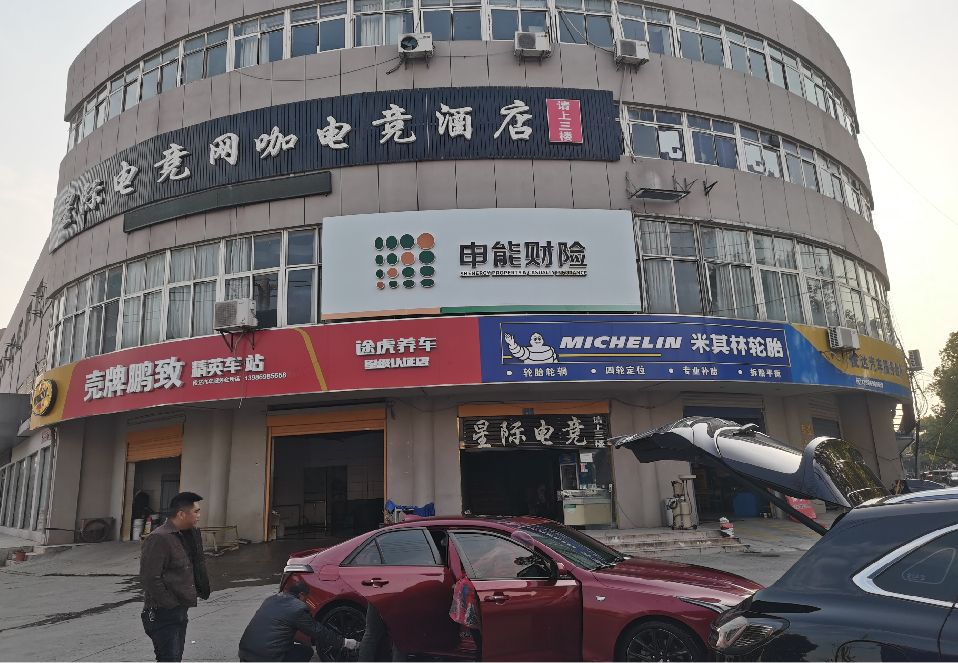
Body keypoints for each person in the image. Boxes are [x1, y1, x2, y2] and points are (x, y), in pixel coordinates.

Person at [139, 491, 211, 662]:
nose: (199, 516)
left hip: (179, 610)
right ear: (181, 514)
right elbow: (150, 578)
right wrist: (170, 604)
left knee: (175, 658)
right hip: (162, 613)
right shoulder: (159, 538)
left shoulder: (189, 534)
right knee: (169, 659)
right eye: (196, 511)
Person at [239, 581, 359, 661]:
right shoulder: (297, 608)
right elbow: (319, 631)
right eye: (306, 598)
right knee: (305, 652)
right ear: (301, 595)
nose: (306, 601)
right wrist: (344, 642)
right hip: (267, 658)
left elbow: (275, 629)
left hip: (245, 654)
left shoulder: (270, 600)